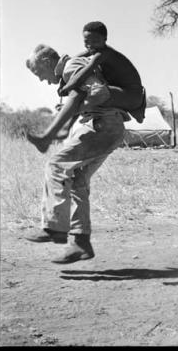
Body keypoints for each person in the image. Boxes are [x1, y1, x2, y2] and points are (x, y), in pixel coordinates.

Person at [25, 44, 128, 263]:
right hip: (109, 127)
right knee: (78, 179)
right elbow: (83, 99)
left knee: (56, 165)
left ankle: (54, 227)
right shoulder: (73, 70)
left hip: (102, 126)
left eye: (39, 73)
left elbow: (99, 94)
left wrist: (67, 116)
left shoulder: (71, 67)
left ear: (46, 62)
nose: (42, 80)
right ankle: (81, 243)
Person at [26, 21, 146, 153]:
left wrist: (71, 100)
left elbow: (89, 84)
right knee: (78, 94)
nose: (90, 45)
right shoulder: (90, 52)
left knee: (80, 93)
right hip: (125, 94)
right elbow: (77, 64)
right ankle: (59, 132)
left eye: (95, 41)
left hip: (131, 95)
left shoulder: (100, 54)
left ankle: (49, 136)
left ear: (105, 39)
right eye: (87, 42)